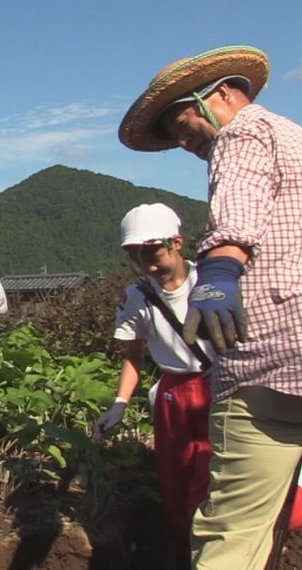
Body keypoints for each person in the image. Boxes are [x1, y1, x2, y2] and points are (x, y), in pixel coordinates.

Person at [118, 45, 302, 569]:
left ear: (221, 95)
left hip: (278, 353)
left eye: (183, 127)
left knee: (234, 526)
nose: (184, 143)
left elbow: (236, 211)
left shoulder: (242, 134)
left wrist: (222, 268)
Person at [93, 203, 214, 568]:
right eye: (136, 255)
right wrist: (119, 403)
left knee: (209, 486)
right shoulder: (138, 298)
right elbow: (133, 356)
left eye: (153, 252)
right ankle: (183, 558)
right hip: (174, 396)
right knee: (175, 488)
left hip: (220, 390)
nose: (147, 264)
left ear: (176, 242)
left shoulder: (211, 282)